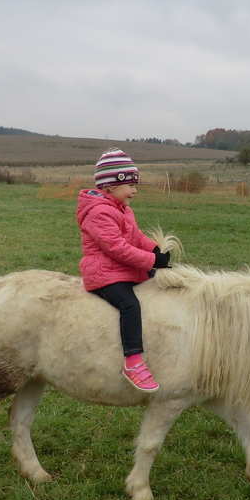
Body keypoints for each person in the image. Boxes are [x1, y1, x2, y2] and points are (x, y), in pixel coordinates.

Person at [77, 148, 171, 392]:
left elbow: (135, 236)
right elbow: (117, 248)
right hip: (104, 274)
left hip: (122, 269)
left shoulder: (123, 209)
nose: (135, 190)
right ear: (110, 186)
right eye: (130, 184)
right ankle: (133, 361)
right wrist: (151, 261)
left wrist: (154, 250)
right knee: (130, 305)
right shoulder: (98, 213)